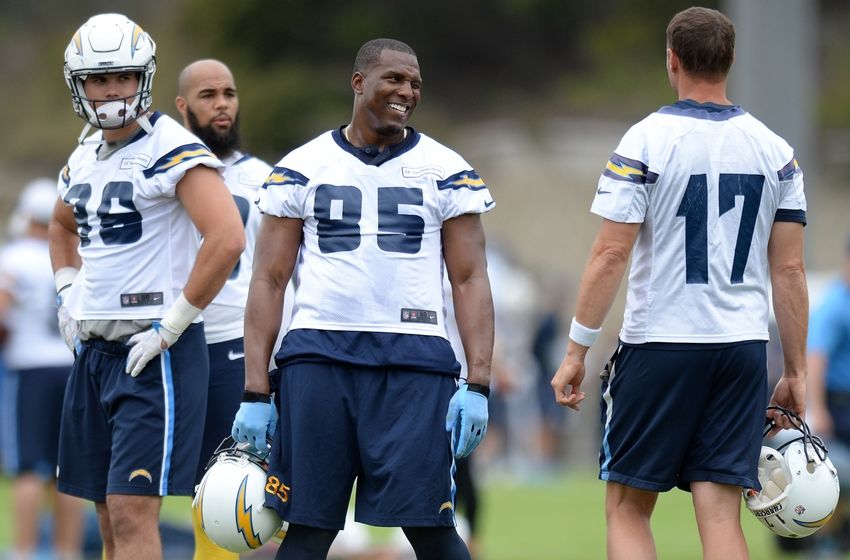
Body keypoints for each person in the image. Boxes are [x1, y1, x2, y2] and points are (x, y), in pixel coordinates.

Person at [550, 7, 808, 560]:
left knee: (627, 507)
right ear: (731, 59)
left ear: (671, 59)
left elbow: (610, 253)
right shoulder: (775, 150)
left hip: (661, 342)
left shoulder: (646, 139)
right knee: (719, 513)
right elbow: (788, 270)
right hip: (741, 347)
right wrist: (796, 369)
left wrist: (576, 350)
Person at [231, 38, 495, 560]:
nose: (406, 91)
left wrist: (479, 382)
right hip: (319, 359)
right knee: (307, 527)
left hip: (414, 362)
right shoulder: (301, 166)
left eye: (415, 83)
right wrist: (255, 393)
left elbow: (469, 279)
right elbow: (268, 280)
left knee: (432, 527)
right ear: (359, 83)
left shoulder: (447, 169)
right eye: (394, 78)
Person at [48, 13, 245, 560]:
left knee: (133, 509)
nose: (111, 90)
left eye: (123, 77)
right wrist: (68, 293)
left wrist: (175, 322)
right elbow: (61, 227)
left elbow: (226, 238)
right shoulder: (85, 152)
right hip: (95, 351)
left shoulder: (169, 146)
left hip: (154, 351)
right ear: (78, 84)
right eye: (98, 79)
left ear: (145, 78)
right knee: (108, 514)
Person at [174, 58, 273, 560]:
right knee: (126, 492)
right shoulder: (162, 169)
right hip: (163, 342)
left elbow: (283, 274)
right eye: (208, 95)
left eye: (229, 94)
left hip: (231, 344)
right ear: (182, 105)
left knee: (221, 492)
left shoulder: (264, 179)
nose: (222, 105)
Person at [0, 179, 85, 560]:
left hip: (29, 368)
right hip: (72, 366)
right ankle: (67, 552)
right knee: (67, 470)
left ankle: (25, 551)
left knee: (29, 468)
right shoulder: (77, 254)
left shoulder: (13, 258)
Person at [806, 235, 850, 554]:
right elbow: (815, 357)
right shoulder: (836, 303)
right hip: (837, 407)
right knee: (836, 479)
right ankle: (822, 544)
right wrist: (817, 410)